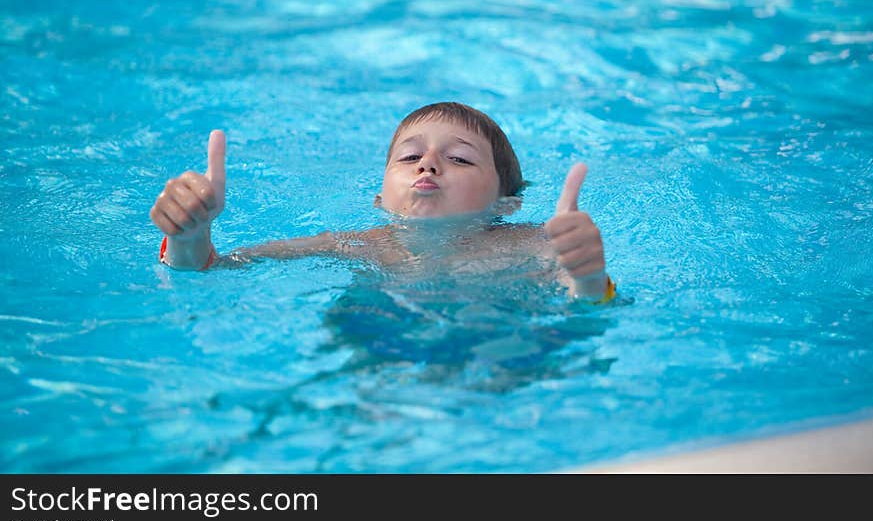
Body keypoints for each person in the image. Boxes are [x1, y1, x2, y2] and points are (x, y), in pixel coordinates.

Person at [149, 102, 615, 303]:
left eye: (458, 158)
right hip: (382, 346)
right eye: (411, 157)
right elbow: (211, 270)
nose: (427, 166)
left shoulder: (536, 244)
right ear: (380, 198)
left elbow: (586, 304)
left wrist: (590, 277)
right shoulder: (355, 245)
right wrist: (189, 236)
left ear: (506, 204)